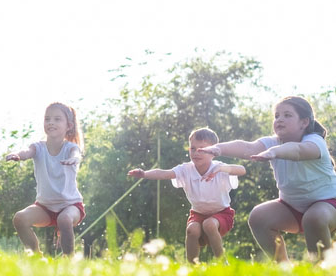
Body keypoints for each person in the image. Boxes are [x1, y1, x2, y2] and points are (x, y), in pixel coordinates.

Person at [199, 96, 336, 262]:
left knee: (314, 218)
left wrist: (275, 152)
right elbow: (248, 147)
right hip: (293, 208)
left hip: (328, 205)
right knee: (259, 217)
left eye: (287, 115)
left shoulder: (315, 141)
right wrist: (217, 148)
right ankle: (284, 269)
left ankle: (321, 269)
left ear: (304, 122)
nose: (280, 120)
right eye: (277, 116)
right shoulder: (273, 142)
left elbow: (299, 151)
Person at [128, 127, 246, 263]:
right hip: (198, 214)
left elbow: (242, 170)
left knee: (209, 224)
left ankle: (222, 263)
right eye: (193, 148)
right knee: (192, 230)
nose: (196, 153)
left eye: (202, 149)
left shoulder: (220, 167)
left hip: (222, 213)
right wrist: (144, 174)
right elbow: (165, 173)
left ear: (213, 152)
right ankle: (192, 266)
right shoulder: (186, 169)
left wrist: (222, 169)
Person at [6, 102, 86, 256]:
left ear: (68, 126)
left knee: (64, 220)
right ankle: (36, 257)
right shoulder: (38, 147)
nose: (51, 122)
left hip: (70, 206)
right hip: (45, 207)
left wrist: (74, 159)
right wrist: (18, 155)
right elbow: (27, 152)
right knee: (19, 218)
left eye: (57, 119)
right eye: (47, 119)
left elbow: (76, 154)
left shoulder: (71, 148)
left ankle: (68, 261)